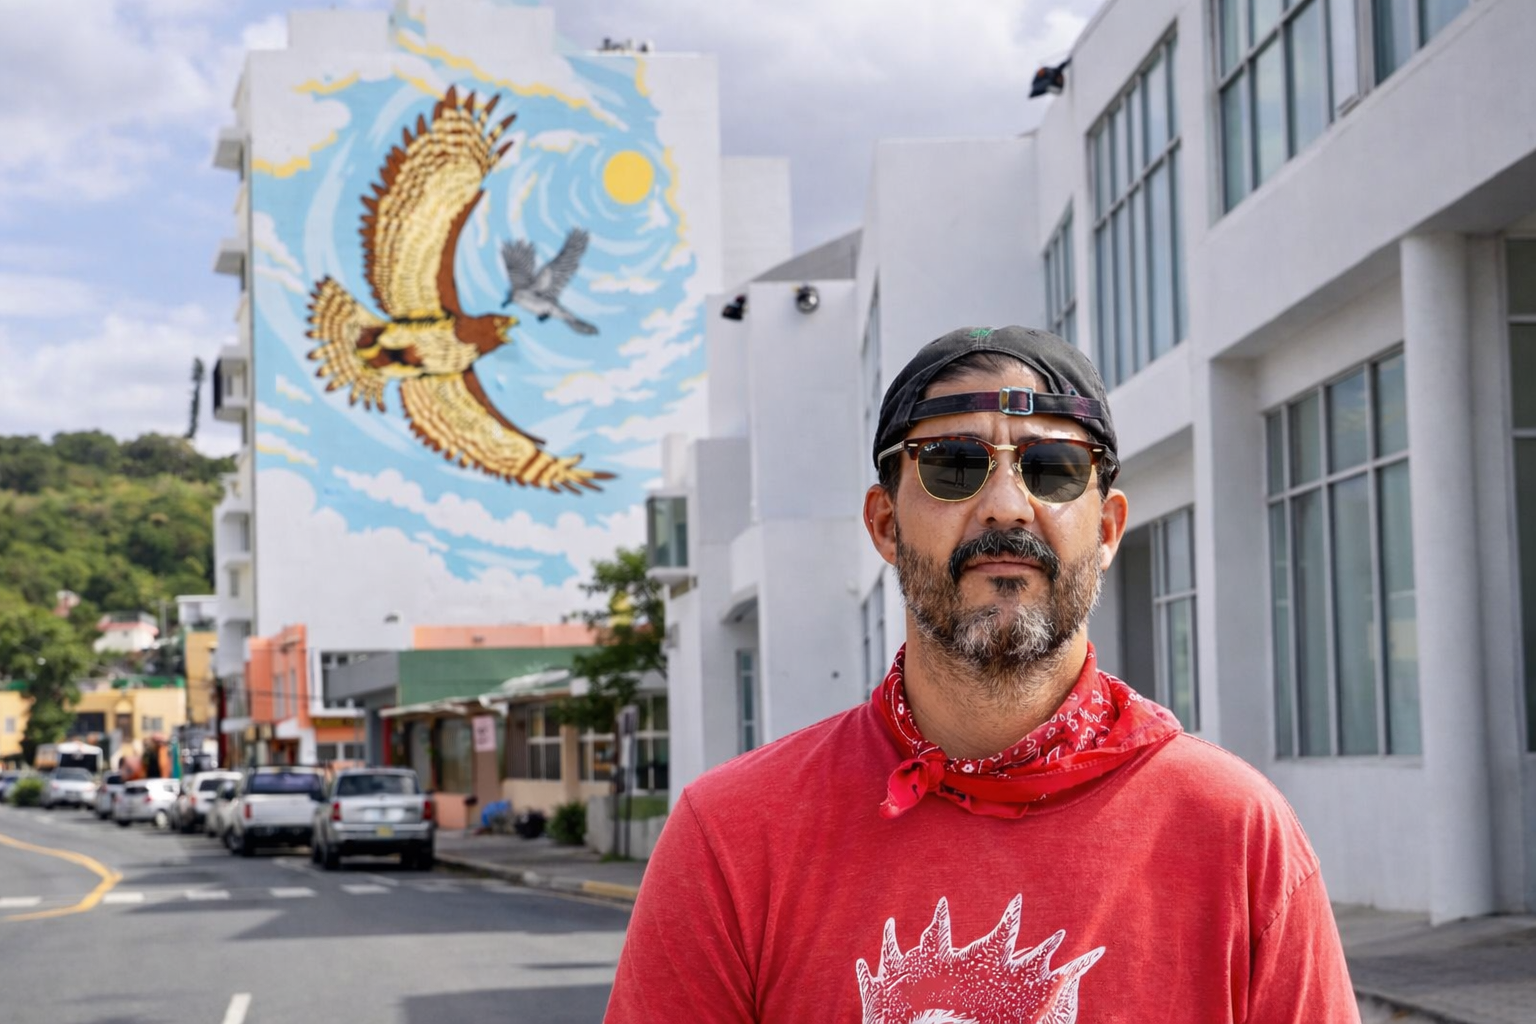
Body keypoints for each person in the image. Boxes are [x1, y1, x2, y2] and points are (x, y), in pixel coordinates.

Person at [605, 326, 1359, 1024]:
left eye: (1054, 469)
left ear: (1106, 529)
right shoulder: (733, 838)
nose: (1005, 506)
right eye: (953, 466)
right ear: (885, 526)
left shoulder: (1235, 835)